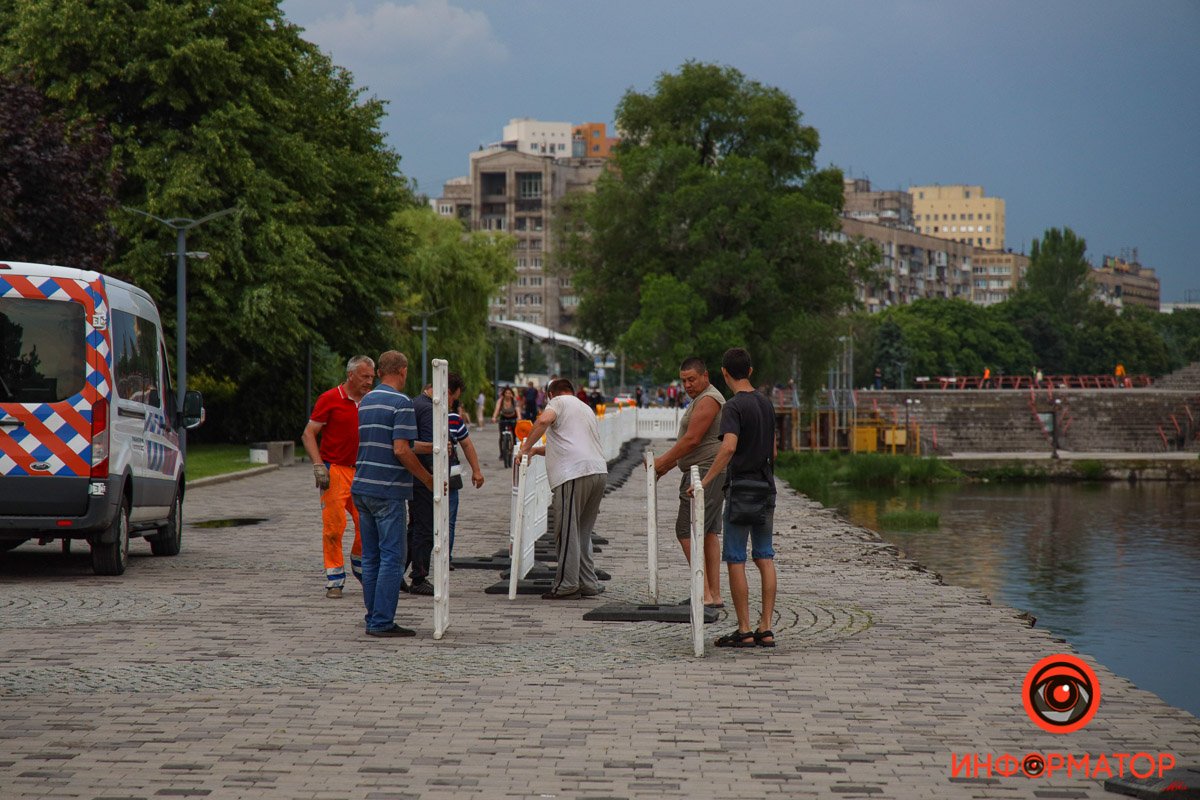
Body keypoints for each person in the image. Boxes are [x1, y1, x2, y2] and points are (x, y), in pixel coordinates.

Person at [696, 347, 777, 649]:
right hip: (766, 488)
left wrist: (705, 480)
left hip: (741, 488)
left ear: (725, 374)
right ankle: (766, 628)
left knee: (735, 558)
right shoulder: (767, 404)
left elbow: (728, 447)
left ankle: (744, 629)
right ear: (751, 371)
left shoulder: (732, 407)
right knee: (765, 555)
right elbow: (773, 451)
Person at [351, 351, 431, 638]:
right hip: (388, 491)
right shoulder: (402, 403)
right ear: (403, 370)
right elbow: (400, 450)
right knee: (393, 558)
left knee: (371, 557)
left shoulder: (366, 401)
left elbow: (394, 442)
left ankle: (373, 615)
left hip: (362, 485)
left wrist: (431, 446)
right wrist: (427, 478)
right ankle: (382, 621)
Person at [517, 378, 607, 600]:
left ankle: (567, 584)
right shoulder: (584, 408)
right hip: (597, 471)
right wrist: (536, 451)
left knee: (566, 531)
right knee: (582, 533)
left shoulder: (557, 403)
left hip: (574, 475)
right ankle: (588, 582)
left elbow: (542, 422)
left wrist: (525, 447)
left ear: (550, 394)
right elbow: (569, 444)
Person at [652, 357, 725, 607]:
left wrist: (662, 461)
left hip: (704, 473)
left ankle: (703, 593)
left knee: (686, 529)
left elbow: (692, 440)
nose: (687, 384)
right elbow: (693, 444)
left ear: (706, 376)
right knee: (709, 532)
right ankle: (712, 594)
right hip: (707, 470)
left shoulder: (708, 400)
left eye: (692, 379)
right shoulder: (702, 399)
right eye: (683, 380)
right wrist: (667, 467)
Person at [301, 355, 374, 599]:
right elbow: (309, 434)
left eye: (372, 377)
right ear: (351, 375)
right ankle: (335, 579)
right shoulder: (330, 399)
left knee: (367, 522)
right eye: (365, 377)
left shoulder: (371, 401)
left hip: (363, 470)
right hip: (335, 470)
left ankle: (359, 562)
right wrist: (318, 464)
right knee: (334, 527)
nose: (369, 382)